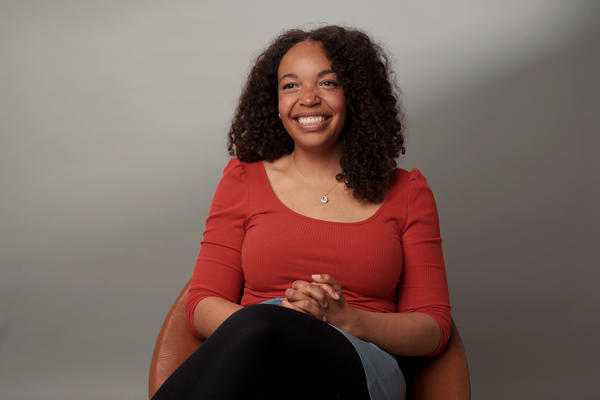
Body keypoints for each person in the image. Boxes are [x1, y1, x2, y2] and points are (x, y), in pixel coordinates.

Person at [152, 25, 451, 400]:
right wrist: (280, 321)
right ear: (274, 103)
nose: (307, 98)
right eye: (291, 85)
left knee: (263, 328)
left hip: (359, 361)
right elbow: (201, 305)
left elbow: (434, 329)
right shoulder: (243, 179)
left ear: (355, 95)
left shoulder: (408, 192)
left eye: (327, 83)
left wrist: (348, 319)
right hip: (256, 352)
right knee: (263, 333)